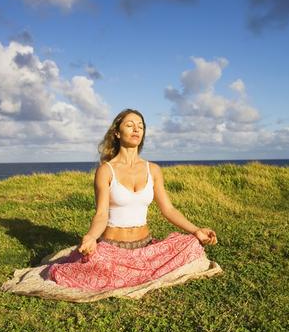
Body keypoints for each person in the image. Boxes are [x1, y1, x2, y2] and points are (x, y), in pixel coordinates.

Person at [47, 108, 218, 292]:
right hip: (112, 249)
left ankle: (135, 272)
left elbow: (168, 210)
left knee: (191, 244)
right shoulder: (106, 170)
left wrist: (196, 230)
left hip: (145, 247)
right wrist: (91, 237)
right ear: (117, 133)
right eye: (130, 125)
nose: (136, 130)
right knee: (73, 271)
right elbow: (101, 214)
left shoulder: (153, 169)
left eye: (140, 127)